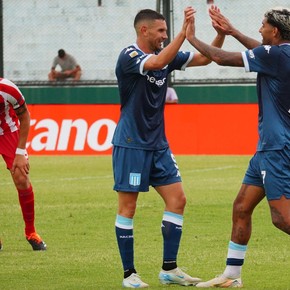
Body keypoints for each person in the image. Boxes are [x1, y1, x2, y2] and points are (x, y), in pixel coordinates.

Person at [112, 6, 226, 288]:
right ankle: (130, 274)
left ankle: (169, 269)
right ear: (144, 30)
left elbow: (205, 59)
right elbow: (156, 62)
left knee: (178, 199)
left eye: (166, 31)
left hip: (158, 145)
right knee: (128, 208)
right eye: (160, 31)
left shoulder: (166, 55)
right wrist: (183, 35)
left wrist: (219, 35)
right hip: (131, 144)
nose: (164, 35)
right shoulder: (130, 56)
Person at [186, 6, 290, 288]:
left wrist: (191, 37)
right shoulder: (281, 54)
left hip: (277, 147)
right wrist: (231, 32)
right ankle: (231, 276)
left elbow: (219, 58)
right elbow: (260, 49)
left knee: (282, 218)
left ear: (275, 31)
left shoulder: (277, 55)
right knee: (242, 207)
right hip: (266, 149)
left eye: (263, 25)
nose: (260, 29)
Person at [0, 78, 47, 251]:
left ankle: (31, 232)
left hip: (8, 131)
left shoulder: (7, 89)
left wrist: (20, 152)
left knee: (21, 178)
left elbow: (25, 116)